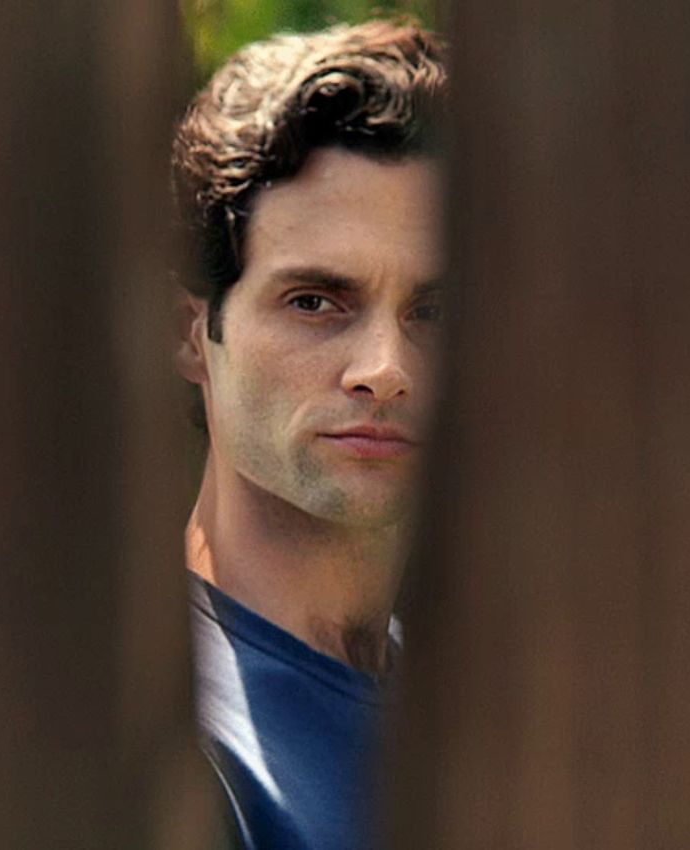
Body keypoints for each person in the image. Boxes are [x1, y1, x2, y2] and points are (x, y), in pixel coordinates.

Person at [171, 19, 447, 850]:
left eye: (431, 312)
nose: (385, 367)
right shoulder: (155, 741)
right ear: (193, 334)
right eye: (315, 301)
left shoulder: (504, 722)